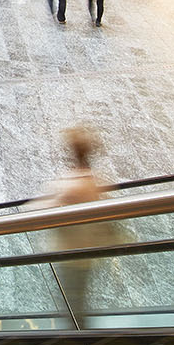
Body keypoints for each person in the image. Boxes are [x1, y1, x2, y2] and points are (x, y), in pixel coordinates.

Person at [34, 127, 114, 326]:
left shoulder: (71, 186)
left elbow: (46, 211)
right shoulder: (94, 182)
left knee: (72, 303)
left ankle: (79, 338)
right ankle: (80, 334)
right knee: (77, 301)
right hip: (86, 252)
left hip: (69, 253)